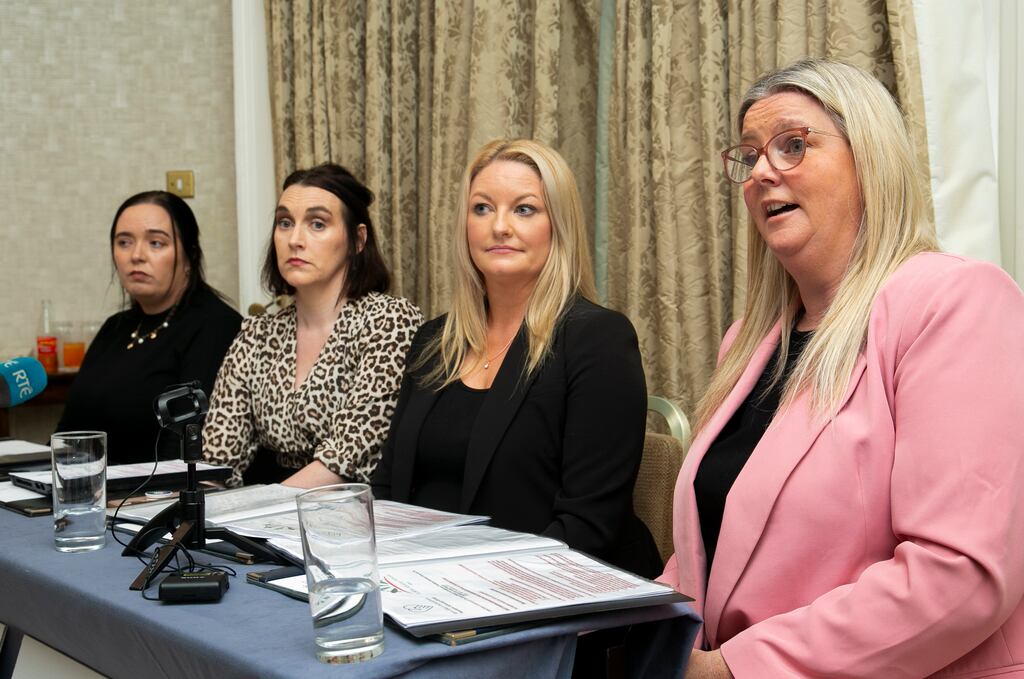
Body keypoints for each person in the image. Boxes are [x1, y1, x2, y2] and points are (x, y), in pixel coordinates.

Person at [662, 58, 1024, 678]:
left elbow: (960, 574)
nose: (762, 173)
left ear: (870, 160)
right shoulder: (748, 343)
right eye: (749, 157)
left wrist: (735, 670)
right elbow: (713, 552)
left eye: (793, 145)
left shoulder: (956, 302)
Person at [371, 139, 662, 580]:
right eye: (482, 208)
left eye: (524, 209)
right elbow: (388, 489)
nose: (499, 227)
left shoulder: (597, 338)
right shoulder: (433, 340)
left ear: (558, 225)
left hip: (550, 597)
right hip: (419, 586)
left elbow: (587, 526)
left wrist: (468, 585)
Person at [203, 163, 422, 488]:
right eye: (285, 223)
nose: (295, 239)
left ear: (357, 240)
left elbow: (346, 458)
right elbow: (217, 461)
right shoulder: (257, 334)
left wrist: (256, 509)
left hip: (355, 513)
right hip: (267, 518)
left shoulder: (388, 321)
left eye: (317, 224)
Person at [57, 191, 242, 465]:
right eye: (124, 242)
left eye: (156, 243)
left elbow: (183, 450)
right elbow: (68, 435)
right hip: (90, 495)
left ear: (190, 254)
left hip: (153, 500)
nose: (136, 255)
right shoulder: (115, 327)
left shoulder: (216, 325)